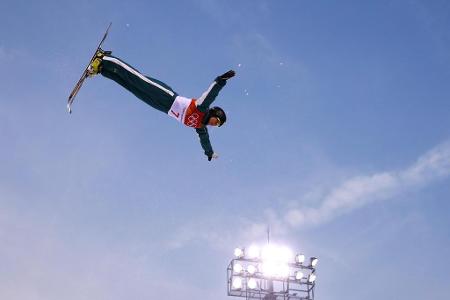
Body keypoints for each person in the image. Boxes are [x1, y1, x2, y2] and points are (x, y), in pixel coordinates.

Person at [87, 49, 235, 161]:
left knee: (132, 88)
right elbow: (211, 93)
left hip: (162, 107)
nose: (213, 125)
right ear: (215, 114)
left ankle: (102, 69)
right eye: (216, 122)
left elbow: (204, 140)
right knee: (137, 79)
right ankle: (105, 58)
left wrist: (209, 153)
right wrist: (221, 80)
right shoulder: (203, 107)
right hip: (167, 97)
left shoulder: (200, 127)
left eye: (216, 125)